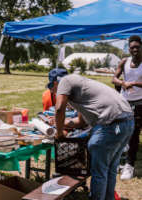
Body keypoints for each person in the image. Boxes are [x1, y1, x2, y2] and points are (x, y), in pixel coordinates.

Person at [55, 74, 134, 200]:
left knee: (99, 172)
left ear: (55, 84)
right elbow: (81, 122)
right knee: (109, 169)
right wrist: (58, 122)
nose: (55, 93)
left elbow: (59, 109)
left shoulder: (64, 81)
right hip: (126, 123)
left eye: (53, 90)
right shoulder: (82, 88)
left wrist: (59, 133)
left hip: (112, 125)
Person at [112, 35, 142, 180]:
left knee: (134, 133)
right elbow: (114, 78)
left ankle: (129, 166)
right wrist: (123, 83)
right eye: (132, 47)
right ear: (129, 49)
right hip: (123, 102)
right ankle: (119, 160)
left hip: (139, 103)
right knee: (119, 130)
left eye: (137, 47)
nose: (135, 49)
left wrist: (133, 84)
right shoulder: (124, 61)